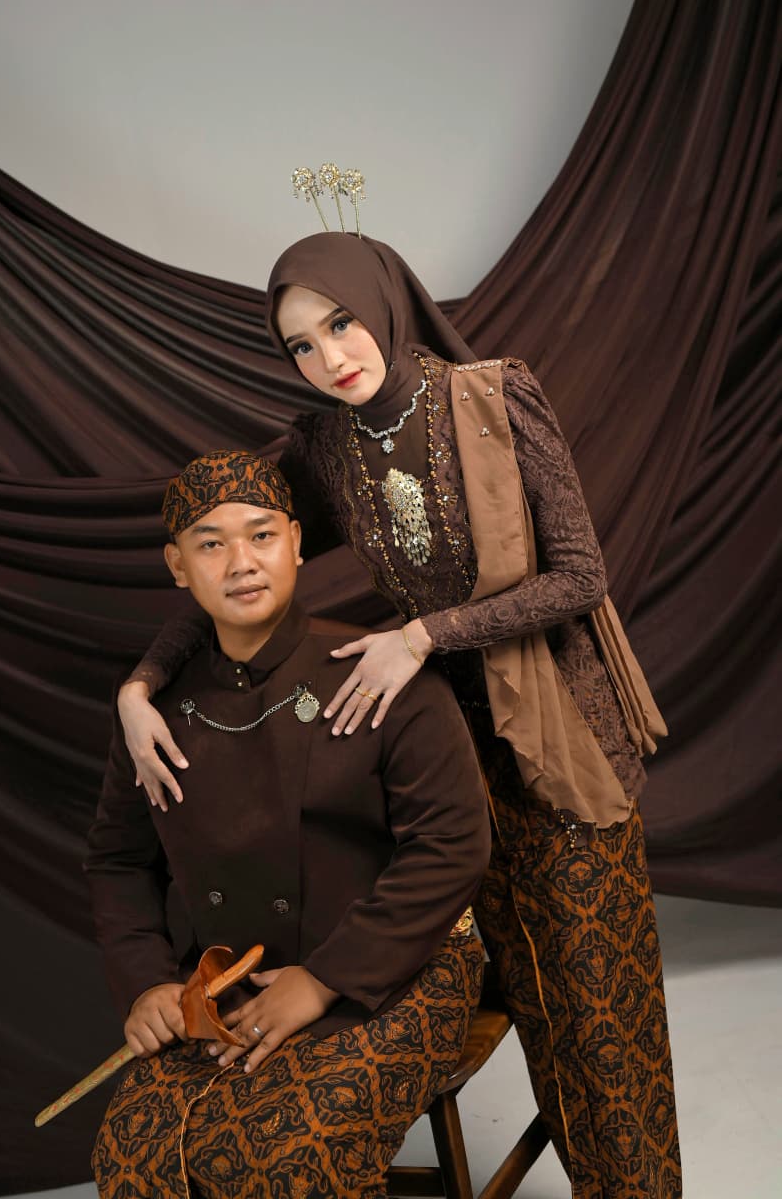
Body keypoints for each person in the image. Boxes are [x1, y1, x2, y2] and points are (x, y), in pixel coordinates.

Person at [118, 233, 682, 1198]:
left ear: (382, 301)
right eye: (300, 345)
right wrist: (140, 686)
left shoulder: (495, 397)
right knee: (529, 998)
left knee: (598, 1009)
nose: (330, 356)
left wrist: (421, 635)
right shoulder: (323, 447)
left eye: (340, 323)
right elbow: (236, 559)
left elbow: (580, 577)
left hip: (557, 740)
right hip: (443, 756)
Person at [85, 448, 491, 1198]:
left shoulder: (377, 670)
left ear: (297, 544)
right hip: (230, 983)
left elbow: (453, 844)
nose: (241, 562)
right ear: (178, 567)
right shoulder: (152, 711)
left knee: (284, 1157)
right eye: (211, 544)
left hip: (396, 969)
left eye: (262, 535)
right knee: (132, 1155)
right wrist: (147, 985)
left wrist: (326, 979)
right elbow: (118, 861)